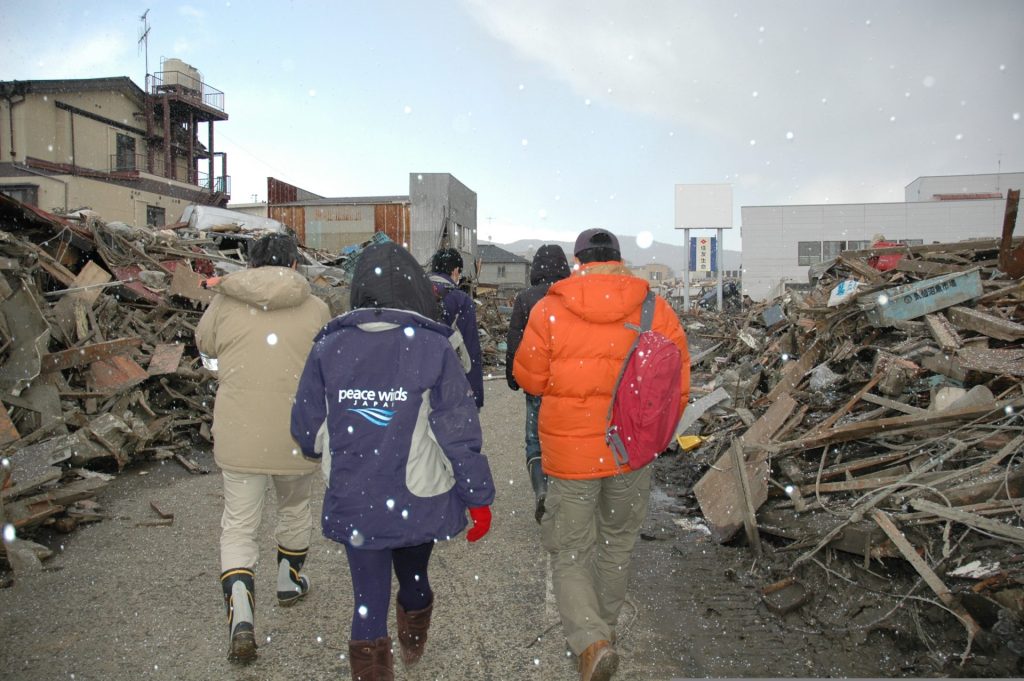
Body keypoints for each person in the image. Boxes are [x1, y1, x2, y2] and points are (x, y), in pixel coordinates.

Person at [290, 240, 495, 681]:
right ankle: (413, 640)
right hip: (416, 494)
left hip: (355, 495)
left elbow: (306, 431)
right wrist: (478, 496)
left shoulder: (329, 346)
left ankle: (375, 666)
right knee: (415, 577)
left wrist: (333, 446)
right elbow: (458, 433)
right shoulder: (432, 347)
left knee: (368, 599)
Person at [513, 228, 689, 681]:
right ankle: (603, 633)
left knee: (571, 552)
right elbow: (678, 385)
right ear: (619, 259)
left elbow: (529, 378)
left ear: (579, 262)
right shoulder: (655, 308)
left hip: (571, 456)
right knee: (616, 546)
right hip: (631, 453)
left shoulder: (550, 309)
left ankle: (591, 641)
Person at [195, 232, 331, 664]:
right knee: (294, 508)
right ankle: (289, 581)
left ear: (250, 265)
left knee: (238, 525)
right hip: (297, 433)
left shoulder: (226, 301)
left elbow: (205, 345)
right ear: (294, 265)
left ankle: (241, 616)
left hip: (240, 433)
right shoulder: (316, 307)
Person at [504, 244, 572, 523]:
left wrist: (512, 373)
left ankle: (541, 489)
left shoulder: (526, 298)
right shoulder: (572, 295)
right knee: (566, 437)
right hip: (568, 382)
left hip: (536, 381)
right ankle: (567, 491)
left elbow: (515, 340)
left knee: (535, 439)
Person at [428, 247, 484, 410]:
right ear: (454, 270)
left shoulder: (415, 292)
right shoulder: (460, 300)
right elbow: (469, 347)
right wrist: (475, 395)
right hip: (448, 378)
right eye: (459, 272)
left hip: (416, 377)